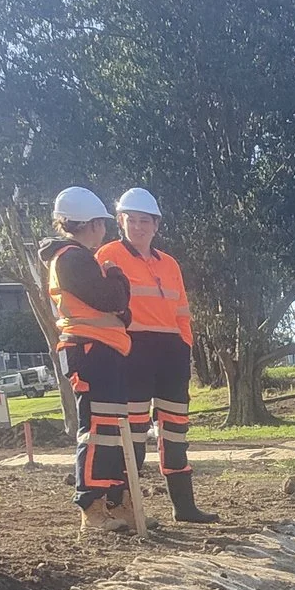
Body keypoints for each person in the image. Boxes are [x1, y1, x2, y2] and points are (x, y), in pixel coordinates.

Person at [98, 187, 217, 523]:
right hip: (132, 352)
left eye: (144, 221)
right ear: (121, 221)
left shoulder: (170, 264)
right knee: (133, 433)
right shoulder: (108, 255)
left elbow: (182, 311)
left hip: (171, 354)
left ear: (155, 225)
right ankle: (126, 508)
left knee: (176, 430)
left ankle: (184, 506)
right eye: (131, 220)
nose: (138, 227)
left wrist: (185, 345)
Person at [39, 187, 134, 530]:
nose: (105, 231)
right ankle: (91, 507)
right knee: (96, 430)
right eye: (103, 224)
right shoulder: (71, 259)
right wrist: (118, 278)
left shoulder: (78, 259)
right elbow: (112, 300)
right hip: (90, 352)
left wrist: (119, 297)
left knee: (108, 429)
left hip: (102, 350)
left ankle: (115, 501)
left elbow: (121, 310)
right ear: (91, 224)